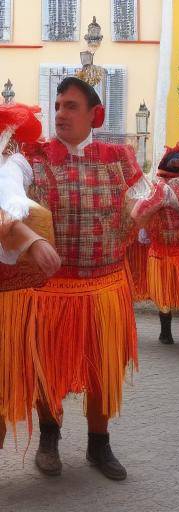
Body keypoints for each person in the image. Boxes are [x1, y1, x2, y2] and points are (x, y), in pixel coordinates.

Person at [22, 77, 148, 479]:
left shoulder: (120, 159)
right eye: (57, 105)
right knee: (50, 369)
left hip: (106, 287)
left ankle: (99, 444)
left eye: (71, 106)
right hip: (53, 290)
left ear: (96, 114)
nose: (60, 113)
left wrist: (147, 212)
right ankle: (48, 439)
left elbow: (141, 203)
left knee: (102, 370)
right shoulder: (34, 160)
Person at [0, 102, 61, 449]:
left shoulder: (11, 167)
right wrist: (31, 239)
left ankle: (50, 435)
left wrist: (25, 230)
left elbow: (11, 201)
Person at [132, 144, 179, 345]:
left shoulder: (160, 188)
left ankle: (165, 333)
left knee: (164, 292)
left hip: (163, 250)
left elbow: (140, 211)